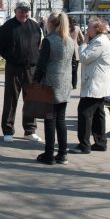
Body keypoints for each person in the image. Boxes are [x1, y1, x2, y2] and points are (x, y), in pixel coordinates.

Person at [0, 0, 43, 143]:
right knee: (11, 99)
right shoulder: (7, 27)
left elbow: (38, 45)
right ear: (15, 11)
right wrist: (13, 59)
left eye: (27, 10)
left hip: (31, 68)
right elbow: (1, 48)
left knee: (31, 100)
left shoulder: (35, 26)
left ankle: (30, 130)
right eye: (22, 10)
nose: (24, 13)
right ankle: (8, 130)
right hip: (14, 68)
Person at [33, 12, 76, 165]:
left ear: (50, 24)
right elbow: (74, 63)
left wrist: (35, 81)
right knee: (61, 120)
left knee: (49, 120)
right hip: (65, 83)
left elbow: (42, 64)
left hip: (50, 83)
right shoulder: (70, 41)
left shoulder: (49, 41)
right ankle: (62, 153)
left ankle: (49, 153)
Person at [71, 16, 110, 153]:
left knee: (85, 113)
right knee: (97, 115)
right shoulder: (98, 40)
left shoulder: (99, 42)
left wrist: (83, 43)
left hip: (95, 84)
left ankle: (84, 145)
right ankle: (100, 143)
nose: (87, 29)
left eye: (89, 26)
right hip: (97, 84)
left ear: (96, 29)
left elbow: (84, 58)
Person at [68, 16, 84, 89]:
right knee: (75, 70)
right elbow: (82, 39)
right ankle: (74, 85)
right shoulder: (77, 28)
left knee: (67, 69)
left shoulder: (66, 28)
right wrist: (78, 44)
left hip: (67, 50)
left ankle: (68, 84)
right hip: (75, 50)